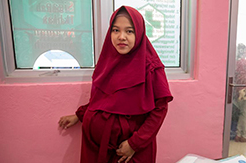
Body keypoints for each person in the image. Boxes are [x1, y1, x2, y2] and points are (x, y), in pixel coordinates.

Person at [58, 6, 173, 163]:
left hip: (128, 151)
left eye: (129, 31)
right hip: (97, 148)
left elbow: (160, 108)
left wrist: (134, 143)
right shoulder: (107, 61)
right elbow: (103, 99)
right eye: (116, 30)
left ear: (139, 33)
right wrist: (80, 115)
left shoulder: (151, 66)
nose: (121, 37)